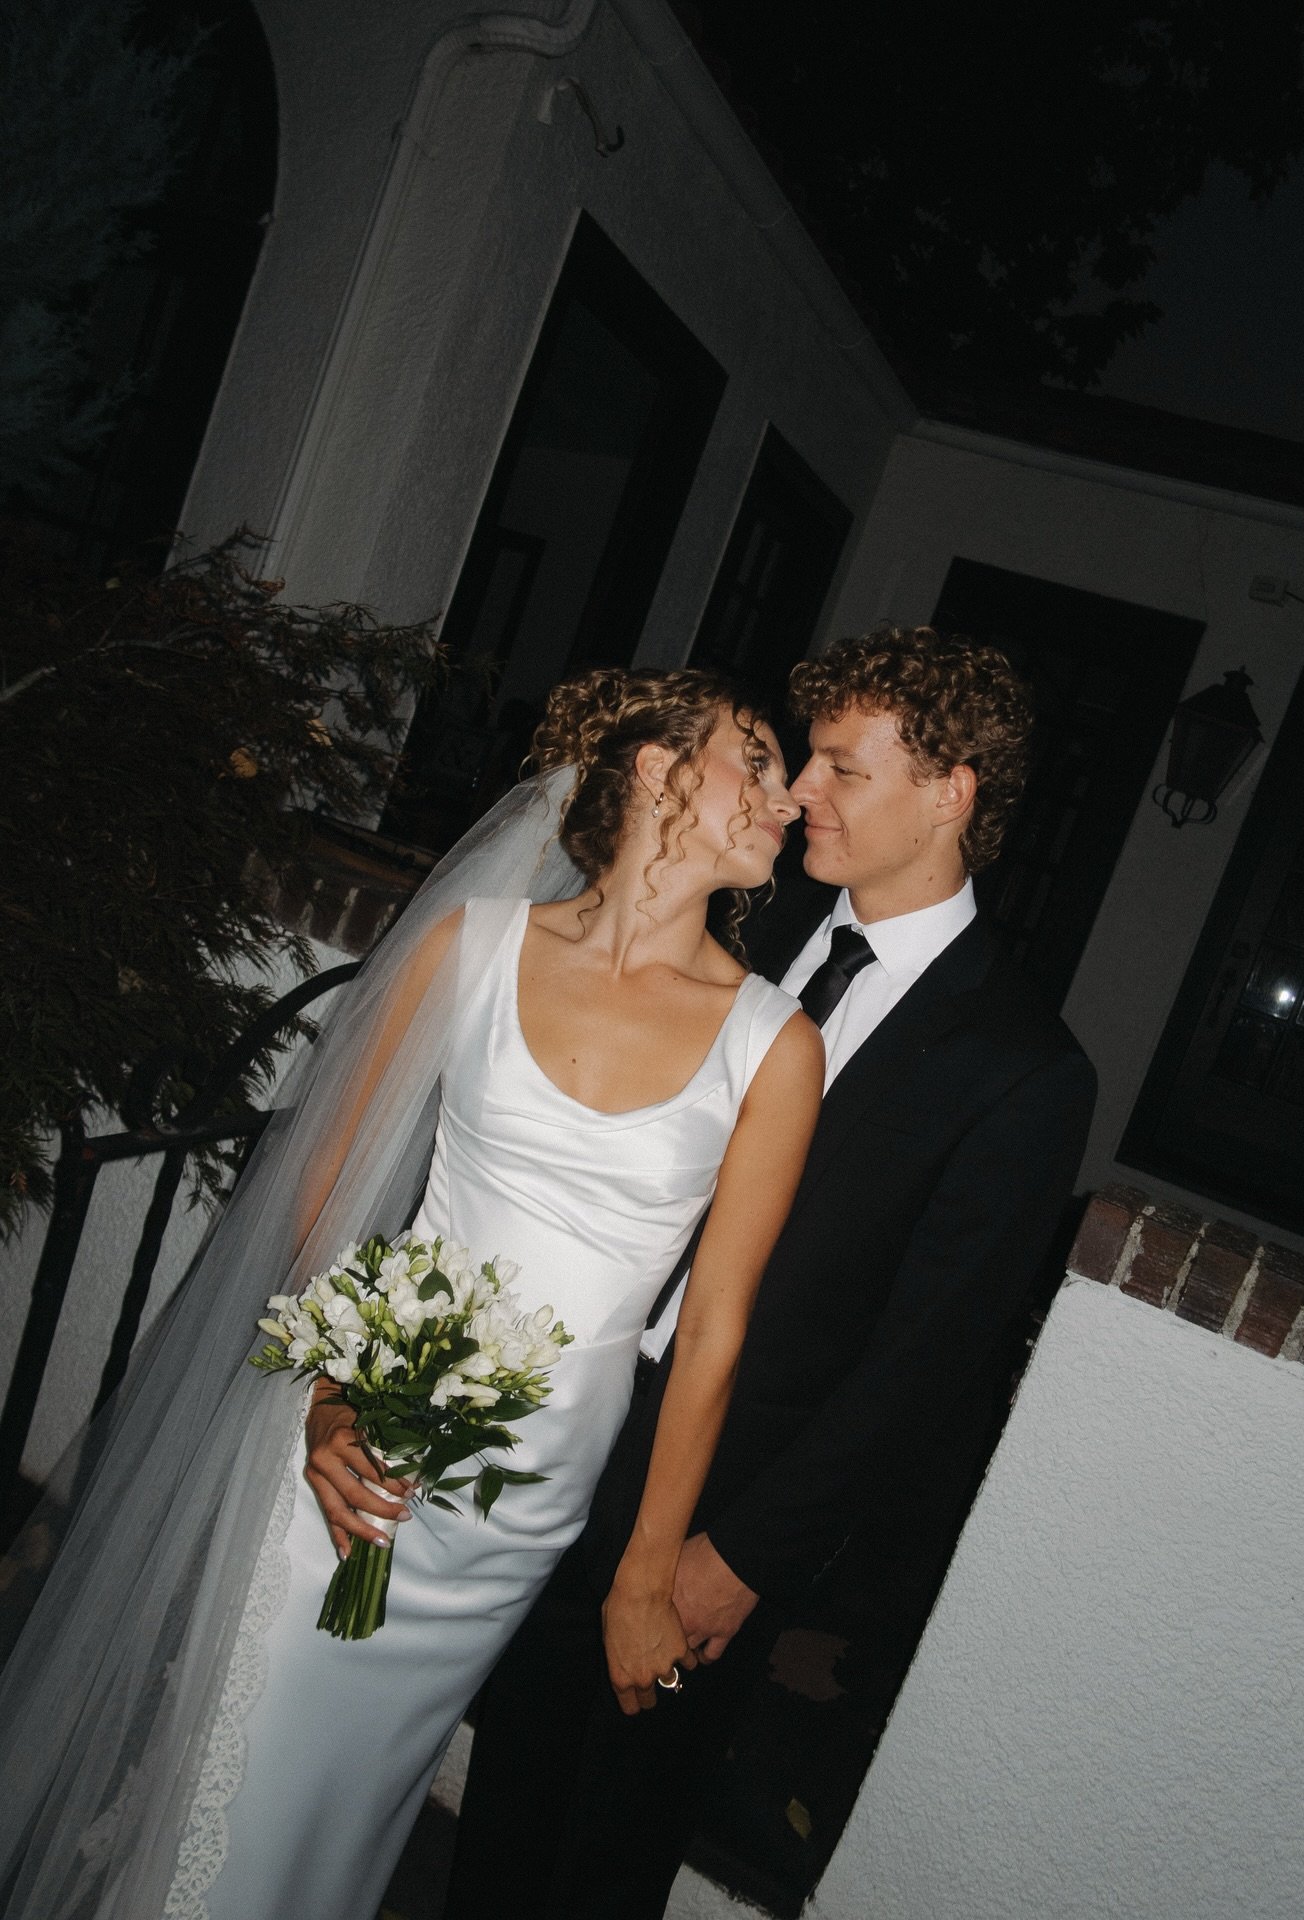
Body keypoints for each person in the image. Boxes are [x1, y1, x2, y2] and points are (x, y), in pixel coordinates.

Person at [0, 668, 823, 1920]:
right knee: (244, 1758)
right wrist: (329, 1401)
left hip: (528, 1494)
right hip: (358, 1429)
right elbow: (322, 1197)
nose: (786, 796)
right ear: (658, 772)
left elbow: (711, 1330)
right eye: (753, 761)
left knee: (357, 1791)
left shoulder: (775, 1041)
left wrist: (644, 1574)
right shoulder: (472, 946)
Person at [444, 627, 1099, 1919]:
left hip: (727, 1502)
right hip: (574, 1420)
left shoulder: (1023, 1069)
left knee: (603, 1845)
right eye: (806, 759)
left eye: (844, 768)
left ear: (951, 791)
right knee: (505, 1782)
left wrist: (738, 1557)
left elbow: (920, 1369)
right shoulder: (757, 911)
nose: (801, 789)